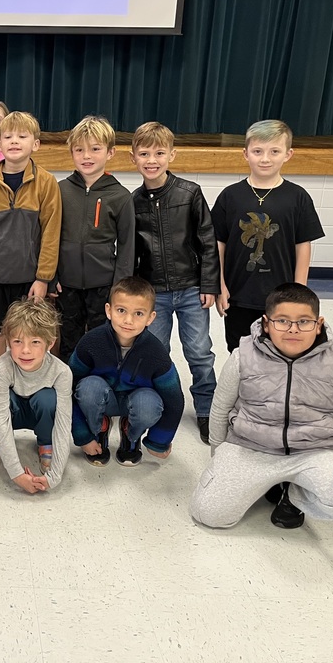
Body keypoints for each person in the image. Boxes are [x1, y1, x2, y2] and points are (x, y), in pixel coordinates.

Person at [189, 283, 333, 530]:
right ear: (266, 323)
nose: (293, 330)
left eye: (304, 322)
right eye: (282, 321)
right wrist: (218, 453)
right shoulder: (242, 356)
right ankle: (267, 484)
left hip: (314, 450)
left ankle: (293, 494)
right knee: (209, 514)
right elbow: (220, 409)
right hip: (250, 448)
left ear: (318, 324)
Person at [130, 121, 219, 444]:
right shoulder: (134, 202)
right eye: (144, 154)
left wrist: (209, 284)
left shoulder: (189, 193)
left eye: (158, 153)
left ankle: (208, 409)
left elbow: (207, 241)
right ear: (133, 158)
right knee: (156, 351)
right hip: (155, 294)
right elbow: (133, 254)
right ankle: (161, 406)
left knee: (199, 351)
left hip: (192, 288)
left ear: (172, 155)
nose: (151, 160)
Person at [212, 120, 324, 352]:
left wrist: (299, 292)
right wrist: (219, 285)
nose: (265, 158)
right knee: (240, 350)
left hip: (281, 296)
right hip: (238, 294)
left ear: (288, 154)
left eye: (274, 151)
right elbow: (218, 244)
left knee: (280, 350)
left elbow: (302, 245)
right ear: (245, 154)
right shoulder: (230, 196)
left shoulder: (298, 197)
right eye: (258, 151)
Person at [0, 110, 62, 371]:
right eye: (7, 136)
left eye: (22, 136)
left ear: (36, 144)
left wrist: (44, 278)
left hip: (30, 280)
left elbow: (51, 234)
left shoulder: (46, 182)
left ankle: (32, 384)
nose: (14, 141)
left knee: (32, 334)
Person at [69, 277, 185, 467]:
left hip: (137, 401)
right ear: (109, 310)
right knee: (88, 388)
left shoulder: (156, 353)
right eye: (121, 310)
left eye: (138, 313)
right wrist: (83, 436)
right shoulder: (91, 343)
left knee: (149, 404)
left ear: (151, 318)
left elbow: (174, 399)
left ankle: (130, 433)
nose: (128, 320)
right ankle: (99, 429)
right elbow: (67, 386)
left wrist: (159, 441)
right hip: (102, 399)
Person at [56, 115, 135, 361]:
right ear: (71, 153)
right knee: (69, 338)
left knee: (103, 339)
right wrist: (51, 277)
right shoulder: (59, 190)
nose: (86, 156)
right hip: (65, 284)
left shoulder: (121, 196)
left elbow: (127, 246)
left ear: (110, 152)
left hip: (103, 285)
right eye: (79, 150)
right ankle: (69, 389)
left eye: (95, 149)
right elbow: (49, 238)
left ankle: (98, 388)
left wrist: (119, 287)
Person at [0, 299, 72, 493]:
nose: (25, 350)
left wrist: (54, 477)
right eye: (18, 341)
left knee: (47, 399)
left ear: (49, 343)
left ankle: (46, 443)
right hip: (12, 412)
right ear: (8, 341)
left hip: (41, 414)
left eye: (35, 342)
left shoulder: (61, 372)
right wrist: (17, 474)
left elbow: (63, 423)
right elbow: (0, 418)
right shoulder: (2, 367)